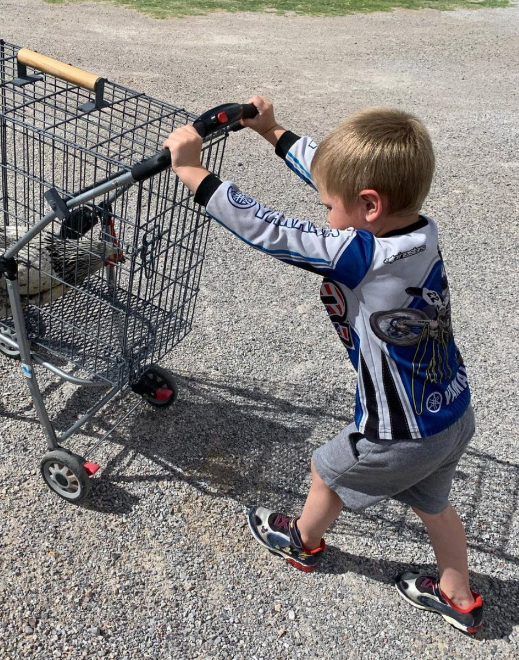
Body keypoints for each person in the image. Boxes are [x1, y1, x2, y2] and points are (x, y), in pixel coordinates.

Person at [163, 96, 483, 634]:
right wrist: (274, 132)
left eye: (328, 208)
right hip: (452, 412)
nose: (325, 216)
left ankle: (302, 541)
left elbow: (271, 229)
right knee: (434, 505)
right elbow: (334, 176)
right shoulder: (419, 230)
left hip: (397, 433)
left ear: (369, 207)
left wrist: (194, 171)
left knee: (326, 471)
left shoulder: (361, 254)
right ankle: (457, 596)